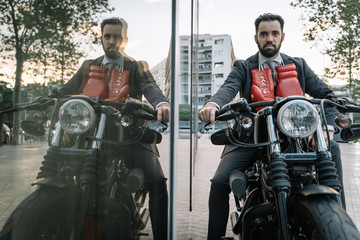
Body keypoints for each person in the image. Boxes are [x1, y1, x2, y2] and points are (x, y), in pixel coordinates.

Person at [198, 13, 345, 240]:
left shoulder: (298, 64)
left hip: (295, 137)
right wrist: (213, 103)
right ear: (256, 38)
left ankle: (339, 218)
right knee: (219, 182)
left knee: (331, 149)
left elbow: (327, 96)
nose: (269, 38)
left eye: (274, 34)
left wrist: (327, 127)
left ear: (282, 36)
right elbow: (229, 87)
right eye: (264, 34)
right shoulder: (244, 67)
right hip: (254, 137)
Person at [59, 17, 169, 240]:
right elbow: (65, 93)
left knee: (157, 181)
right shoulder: (89, 65)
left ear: (125, 40)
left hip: (130, 136)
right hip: (92, 138)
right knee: (63, 170)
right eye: (107, 36)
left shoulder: (135, 66)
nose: (111, 41)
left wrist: (161, 103)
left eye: (116, 37)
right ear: (101, 38)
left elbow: (150, 86)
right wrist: (52, 106)